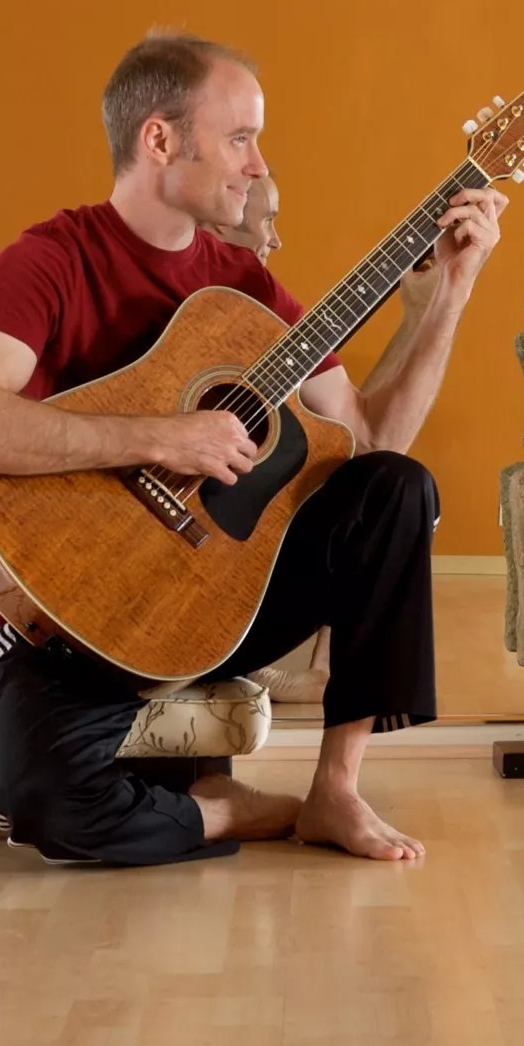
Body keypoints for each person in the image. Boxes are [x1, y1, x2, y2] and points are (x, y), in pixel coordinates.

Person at [0, 32, 507, 865]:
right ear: (159, 139)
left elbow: (372, 439)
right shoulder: (50, 260)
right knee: (46, 808)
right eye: (239, 138)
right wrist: (163, 436)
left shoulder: (246, 289)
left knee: (396, 486)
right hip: (67, 615)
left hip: (216, 598)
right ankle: (232, 814)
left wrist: (449, 293)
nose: (257, 165)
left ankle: (337, 790)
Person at [204, 175, 445, 705]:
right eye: (268, 220)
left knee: (396, 490)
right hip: (179, 557)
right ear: (220, 223)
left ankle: (326, 679)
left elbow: (360, 438)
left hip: (252, 572)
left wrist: (421, 314)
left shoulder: (271, 309)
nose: (277, 239)